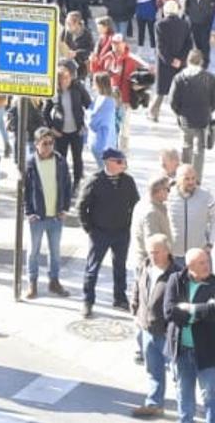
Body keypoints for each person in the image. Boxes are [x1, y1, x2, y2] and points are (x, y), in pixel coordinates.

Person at [78, 148, 140, 318]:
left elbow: (136, 204)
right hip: (100, 232)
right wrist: (89, 229)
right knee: (92, 268)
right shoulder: (95, 181)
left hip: (121, 232)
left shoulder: (128, 181)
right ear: (109, 162)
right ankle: (87, 300)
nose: (123, 165)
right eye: (119, 162)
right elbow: (82, 206)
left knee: (120, 267)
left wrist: (130, 226)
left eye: (124, 161)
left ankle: (120, 298)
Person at [130, 234, 181, 420]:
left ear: (167, 251)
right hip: (147, 329)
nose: (153, 256)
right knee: (153, 370)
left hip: (168, 335)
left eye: (157, 252)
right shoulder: (146, 266)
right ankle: (154, 405)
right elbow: (138, 287)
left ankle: (185, 410)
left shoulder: (177, 274)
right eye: (150, 252)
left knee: (178, 375)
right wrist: (135, 309)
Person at [163, 247, 215, 423]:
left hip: (208, 354)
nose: (207, 266)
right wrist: (201, 313)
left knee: (211, 397)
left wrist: (190, 309)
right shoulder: (176, 280)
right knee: (184, 397)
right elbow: (169, 312)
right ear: (190, 266)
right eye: (202, 263)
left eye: (207, 261)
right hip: (181, 351)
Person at [23, 129, 72, 299]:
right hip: (37, 216)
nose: (49, 147)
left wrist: (65, 208)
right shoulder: (29, 163)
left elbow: (67, 185)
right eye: (45, 143)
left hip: (56, 216)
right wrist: (28, 212)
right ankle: (32, 283)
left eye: (51, 143)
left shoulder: (60, 161)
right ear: (36, 144)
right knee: (33, 252)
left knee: (55, 251)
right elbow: (24, 190)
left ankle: (54, 281)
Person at [170, 50, 215, 182]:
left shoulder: (179, 77)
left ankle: (184, 178)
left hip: (185, 120)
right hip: (202, 119)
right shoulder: (210, 78)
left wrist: (179, 113)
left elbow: (173, 101)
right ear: (201, 61)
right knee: (199, 150)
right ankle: (197, 180)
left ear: (187, 61)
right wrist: (208, 111)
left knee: (186, 147)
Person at [167, 165, 215, 258]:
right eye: (187, 179)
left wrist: (210, 243)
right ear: (178, 179)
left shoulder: (206, 196)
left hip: (199, 254)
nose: (191, 182)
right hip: (174, 255)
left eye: (193, 178)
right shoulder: (168, 196)